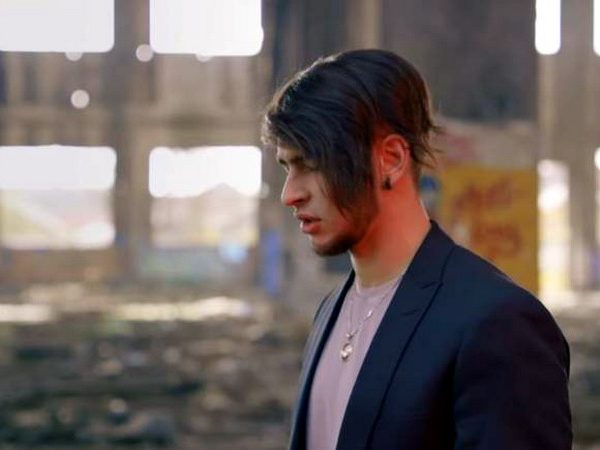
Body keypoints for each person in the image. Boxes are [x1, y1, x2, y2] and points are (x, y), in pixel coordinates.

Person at [262, 49, 571, 450]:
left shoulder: (497, 323)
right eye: (287, 167)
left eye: (311, 164)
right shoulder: (332, 309)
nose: (290, 194)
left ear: (390, 159)